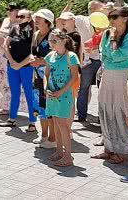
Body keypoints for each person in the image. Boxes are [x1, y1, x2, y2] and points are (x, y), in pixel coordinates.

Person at [92, 6, 128, 166]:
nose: (111, 20)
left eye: (115, 17)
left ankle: (123, 150)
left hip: (122, 75)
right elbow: (104, 55)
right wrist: (111, 54)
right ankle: (108, 148)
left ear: (125, 18)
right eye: (110, 17)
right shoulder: (107, 33)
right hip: (108, 74)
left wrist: (113, 47)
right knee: (105, 108)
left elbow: (122, 55)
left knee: (121, 109)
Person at [62, 0, 104, 123]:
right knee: (84, 88)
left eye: (101, 9)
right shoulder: (82, 20)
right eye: (98, 9)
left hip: (103, 60)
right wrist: (68, 5)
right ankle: (81, 115)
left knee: (102, 90)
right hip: (88, 60)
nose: (101, 11)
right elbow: (64, 18)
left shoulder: (106, 22)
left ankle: (101, 117)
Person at [44, 30, 81, 168]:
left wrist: (61, 91)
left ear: (65, 41)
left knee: (63, 125)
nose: (52, 43)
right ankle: (59, 151)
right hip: (52, 94)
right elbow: (46, 74)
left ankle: (68, 156)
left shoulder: (71, 56)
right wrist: (46, 87)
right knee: (55, 123)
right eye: (51, 41)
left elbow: (74, 77)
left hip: (64, 95)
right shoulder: (50, 56)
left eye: (55, 41)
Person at [1, 9, 38, 131]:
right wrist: (12, 62)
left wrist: (20, 64)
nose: (19, 18)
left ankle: (32, 121)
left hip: (27, 67)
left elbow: (33, 53)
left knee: (29, 93)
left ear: (29, 18)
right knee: (15, 92)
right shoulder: (14, 28)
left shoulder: (33, 32)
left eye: (22, 16)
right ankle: (12, 119)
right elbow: (5, 45)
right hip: (12, 65)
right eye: (18, 16)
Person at [31, 9, 55, 149]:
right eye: (36, 17)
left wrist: (41, 61)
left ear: (48, 21)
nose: (36, 20)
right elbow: (33, 53)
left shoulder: (53, 36)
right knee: (39, 106)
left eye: (40, 18)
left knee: (48, 107)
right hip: (36, 76)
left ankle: (52, 138)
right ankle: (43, 135)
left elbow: (57, 57)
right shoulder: (36, 34)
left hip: (49, 76)